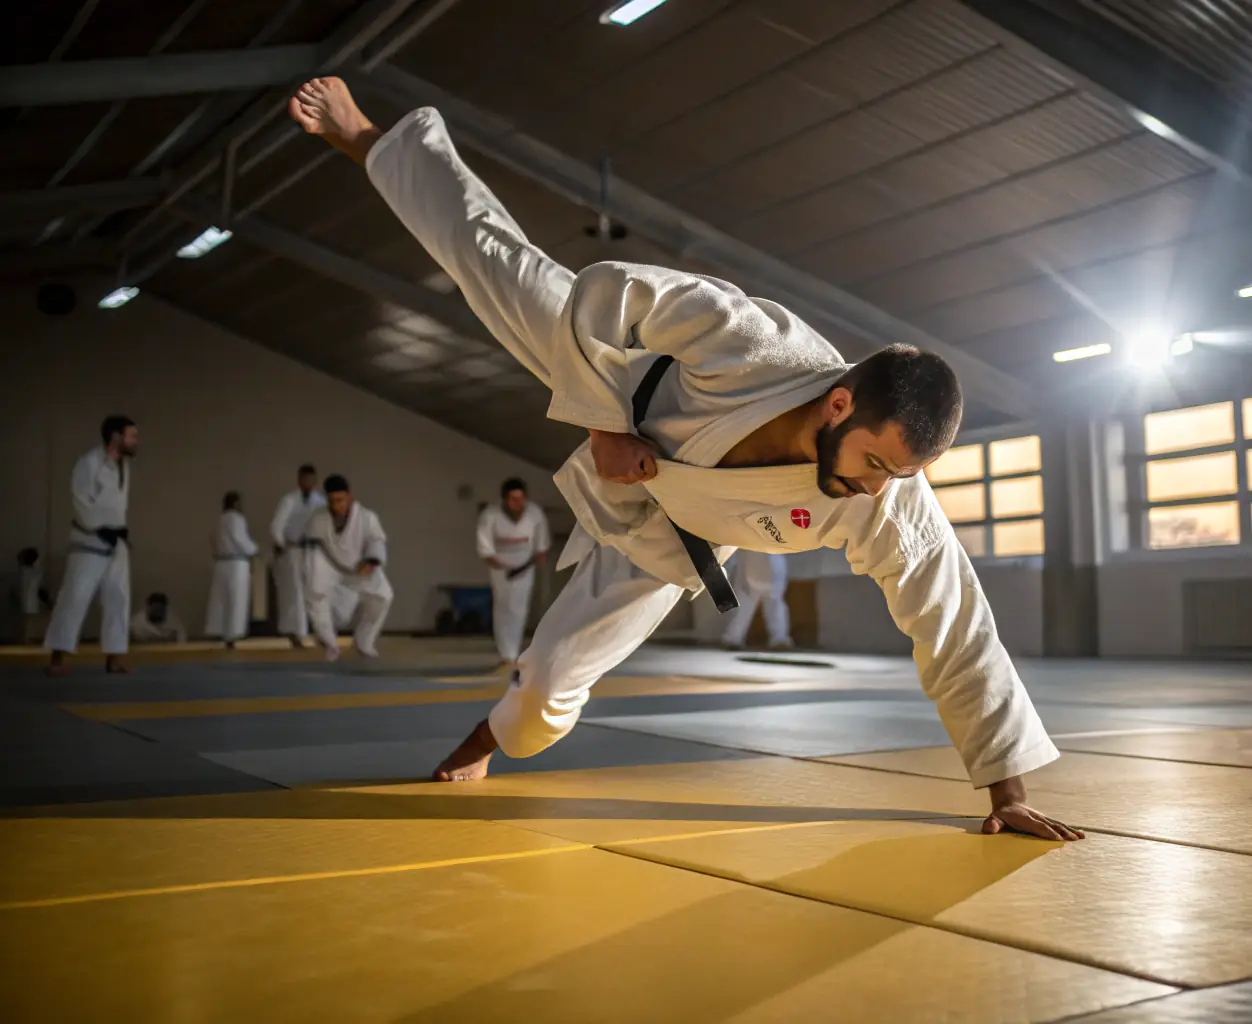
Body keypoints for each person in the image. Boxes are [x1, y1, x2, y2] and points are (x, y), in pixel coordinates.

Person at [289, 78, 1080, 841]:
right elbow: (606, 289)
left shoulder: (890, 501)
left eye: (897, 478)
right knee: (497, 261)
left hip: (674, 541)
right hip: (623, 389)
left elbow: (957, 628)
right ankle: (370, 139)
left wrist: (1006, 791)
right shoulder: (757, 343)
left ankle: (485, 740)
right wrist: (602, 425)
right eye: (874, 464)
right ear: (840, 403)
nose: (876, 490)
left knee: (548, 690)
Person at [44, 415, 137, 676]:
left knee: (118, 598)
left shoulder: (124, 466)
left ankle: (115, 656)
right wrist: (99, 527)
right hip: (89, 539)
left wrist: (117, 529)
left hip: (116, 541)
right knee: (75, 597)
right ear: (116, 436)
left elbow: (116, 504)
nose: (135, 441)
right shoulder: (89, 463)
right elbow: (81, 501)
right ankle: (57, 657)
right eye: (131, 435)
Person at [304, 474, 393, 661]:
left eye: (341, 500)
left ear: (350, 497)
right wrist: (315, 573)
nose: (337, 505)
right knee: (315, 593)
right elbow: (313, 550)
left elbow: (377, 540)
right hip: (332, 570)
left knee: (384, 596)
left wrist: (371, 561)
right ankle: (330, 643)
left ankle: (364, 641)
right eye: (332, 501)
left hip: (361, 568)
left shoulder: (367, 517)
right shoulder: (318, 519)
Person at [477, 477, 550, 667]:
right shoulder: (490, 515)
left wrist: (539, 553)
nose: (517, 503)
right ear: (504, 499)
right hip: (500, 566)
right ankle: (506, 654)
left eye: (521, 499)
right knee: (503, 606)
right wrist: (491, 559)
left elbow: (541, 544)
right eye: (512, 499)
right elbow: (485, 546)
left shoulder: (535, 513)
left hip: (526, 565)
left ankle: (513, 653)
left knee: (519, 607)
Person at [270, 464, 327, 646]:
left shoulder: (320, 501)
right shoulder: (289, 500)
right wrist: (281, 543)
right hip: (294, 549)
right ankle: (297, 632)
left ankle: (321, 631)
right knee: (295, 592)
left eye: (311, 479)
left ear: (315, 480)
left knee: (316, 591)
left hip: (313, 550)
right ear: (299, 480)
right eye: (304, 479)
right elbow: (276, 525)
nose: (308, 482)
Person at [205, 491, 259, 648]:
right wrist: (255, 550)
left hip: (221, 562)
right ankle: (233, 634)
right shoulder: (237, 518)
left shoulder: (218, 520)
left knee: (220, 598)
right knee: (236, 598)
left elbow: (212, 540)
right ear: (236, 503)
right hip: (237, 563)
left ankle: (218, 631)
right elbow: (240, 539)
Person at [721, 551, 793, 650]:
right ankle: (733, 638)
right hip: (750, 558)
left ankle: (779, 639)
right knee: (745, 604)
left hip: (772, 559)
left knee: (774, 602)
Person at [12, 548, 53, 644]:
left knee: (28, 627)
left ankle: (28, 642)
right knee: (32, 628)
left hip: (25, 606)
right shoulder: (35, 573)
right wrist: (48, 601)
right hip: (32, 605)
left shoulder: (21, 572)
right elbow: (39, 589)